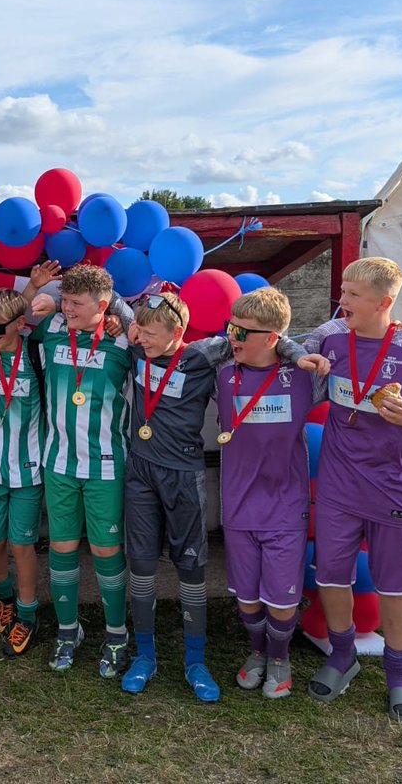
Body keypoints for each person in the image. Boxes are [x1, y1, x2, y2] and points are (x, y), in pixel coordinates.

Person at [122, 290, 324, 702]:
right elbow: (109, 302)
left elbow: (274, 338)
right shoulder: (133, 347)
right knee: (140, 564)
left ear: (177, 331)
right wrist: (120, 320)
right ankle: (145, 655)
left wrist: (289, 346)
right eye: (138, 330)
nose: (141, 337)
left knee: (192, 566)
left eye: (150, 331)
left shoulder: (208, 356)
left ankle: (196, 661)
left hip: (185, 475)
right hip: (140, 471)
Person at [304, 257, 402, 721]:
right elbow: (291, 352)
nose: (341, 300)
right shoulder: (330, 336)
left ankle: (399, 674)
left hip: (393, 482)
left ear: (384, 302)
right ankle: (342, 655)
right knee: (331, 573)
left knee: (394, 582)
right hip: (337, 480)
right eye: (343, 292)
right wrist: (303, 360)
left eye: (352, 294)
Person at [26, 264, 134, 678]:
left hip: (105, 464)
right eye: (65, 300)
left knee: (107, 551)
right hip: (58, 464)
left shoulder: (124, 338)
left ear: (103, 305)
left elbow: (161, 332)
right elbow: (6, 319)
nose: (67, 307)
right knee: (62, 549)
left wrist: (123, 316)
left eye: (76, 302)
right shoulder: (52, 327)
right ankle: (69, 632)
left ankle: (117, 635)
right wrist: (45, 294)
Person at [216, 287, 324, 699]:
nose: (233, 338)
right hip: (239, 506)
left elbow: (344, 343)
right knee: (246, 596)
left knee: (280, 597)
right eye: (232, 328)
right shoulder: (223, 371)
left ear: (272, 338)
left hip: (285, 506)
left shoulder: (302, 377)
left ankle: (280, 657)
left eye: (243, 332)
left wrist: (295, 352)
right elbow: (172, 340)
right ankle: (257, 651)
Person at [0, 286, 46, 657]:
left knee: (22, 545)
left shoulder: (38, 354)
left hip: (28, 471)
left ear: (21, 324)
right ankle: (5, 598)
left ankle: (28, 615)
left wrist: (116, 322)